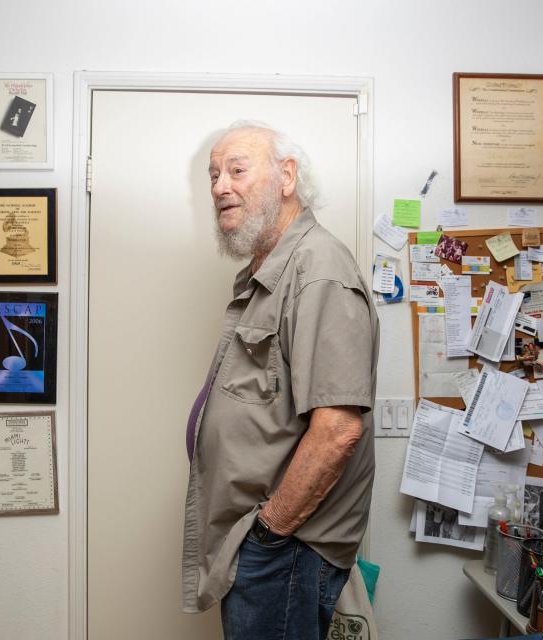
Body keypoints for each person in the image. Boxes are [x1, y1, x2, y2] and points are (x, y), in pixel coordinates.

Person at [182, 122, 379, 639]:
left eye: (237, 170)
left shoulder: (318, 270)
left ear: (286, 176)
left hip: (286, 550)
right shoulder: (271, 271)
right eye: (213, 174)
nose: (220, 186)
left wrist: (267, 534)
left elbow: (338, 429)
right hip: (269, 547)